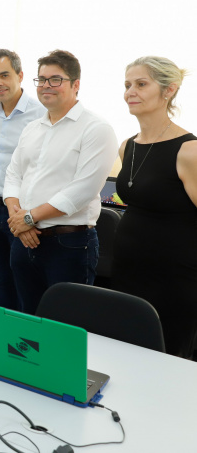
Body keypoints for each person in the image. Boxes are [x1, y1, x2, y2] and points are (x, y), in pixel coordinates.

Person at [3, 50, 117, 314]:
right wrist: (18, 219)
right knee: (27, 321)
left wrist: (28, 218)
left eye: (55, 79)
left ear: (75, 85)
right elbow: (12, 176)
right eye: (41, 79)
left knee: (65, 325)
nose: (46, 86)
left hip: (68, 245)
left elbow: (82, 191)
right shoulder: (33, 127)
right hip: (23, 239)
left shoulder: (96, 128)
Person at [113, 56, 197, 358]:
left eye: (141, 84)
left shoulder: (189, 150)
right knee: (126, 356)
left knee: (167, 362)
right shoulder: (127, 146)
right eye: (127, 85)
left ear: (168, 90)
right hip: (127, 271)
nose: (130, 92)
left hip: (174, 281)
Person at [0, 49, 45, 310]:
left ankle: (24, 340)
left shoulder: (40, 113)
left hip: (20, 212)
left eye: (4, 75)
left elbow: (42, 169)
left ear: (20, 75)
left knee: (25, 281)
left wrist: (27, 216)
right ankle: (2, 336)